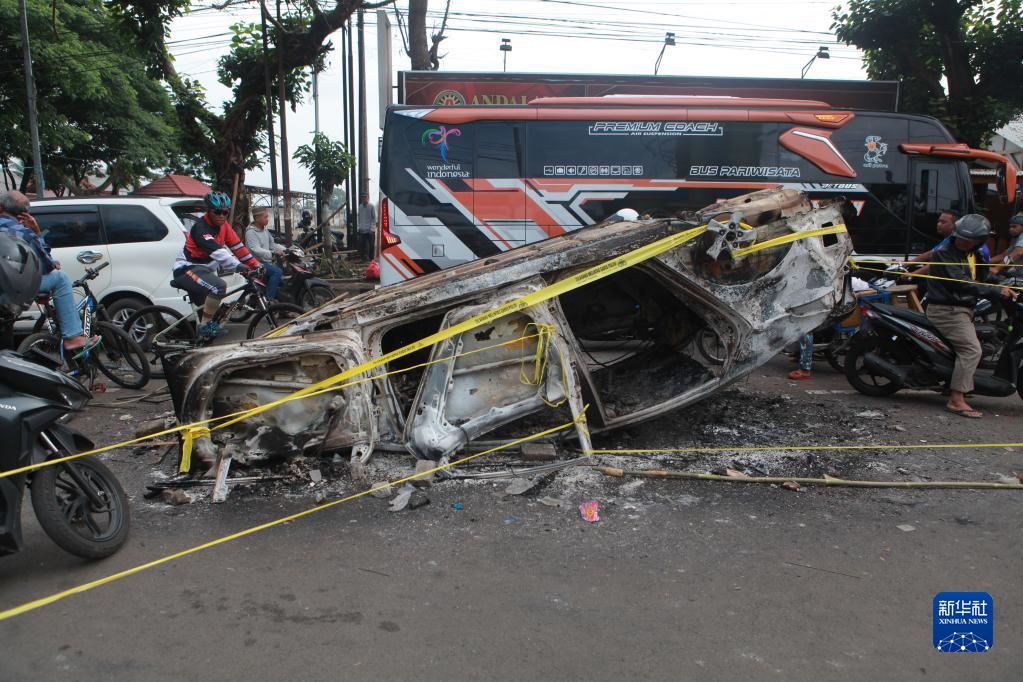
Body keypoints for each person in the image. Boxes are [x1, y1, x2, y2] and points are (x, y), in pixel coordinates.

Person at [926, 214, 1018, 418]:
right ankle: (956, 399)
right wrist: (996, 291)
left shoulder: (973, 255)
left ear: (979, 241)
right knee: (971, 350)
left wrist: (1006, 284)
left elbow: (984, 276)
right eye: (960, 237)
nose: (962, 242)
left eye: (967, 240)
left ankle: (952, 384)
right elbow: (961, 283)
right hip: (947, 311)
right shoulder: (944, 253)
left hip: (963, 309)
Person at [0, 191, 99, 353]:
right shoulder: (24, 233)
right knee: (60, 278)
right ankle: (72, 337)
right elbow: (46, 265)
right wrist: (37, 232)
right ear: (25, 214)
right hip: (10, 291)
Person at [172, 191, 261, 338]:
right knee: (218, 287)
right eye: (217, 212)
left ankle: (202, 335)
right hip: (186, 269)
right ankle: (205, 327)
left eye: (225, 212)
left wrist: (255, 264)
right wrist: (238, 266)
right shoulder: (200, 228)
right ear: (208, 210)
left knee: (215, 311)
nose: (221, 216)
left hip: (203, 270)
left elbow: (238, 247)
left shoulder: (224, 226)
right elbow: (218, 252)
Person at [244, 206, 284, 301]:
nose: (267, 219)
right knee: (277, 272)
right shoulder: (251, 233)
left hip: (266, 262)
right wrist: (273, 253)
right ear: (257, 218)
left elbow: (272, 244)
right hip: (255, 263)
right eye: (265, 217)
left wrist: (287, 249)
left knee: (281, 282)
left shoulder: (265, 230)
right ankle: (268, 300)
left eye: (267, 216)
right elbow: (255, 249)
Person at [357, 192, 376, 260]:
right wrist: (359, 227)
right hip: (362, 229)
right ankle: (363, 258)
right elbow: (359, 217)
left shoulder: (371, 206)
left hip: (370, 230)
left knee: (371, 245)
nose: (364, 198)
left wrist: (372, 228)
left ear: (368, 198)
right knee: (361, 244)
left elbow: (374, 218)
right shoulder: (360, 207)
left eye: (365, 197)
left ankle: (371, 259)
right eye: (363, 197)